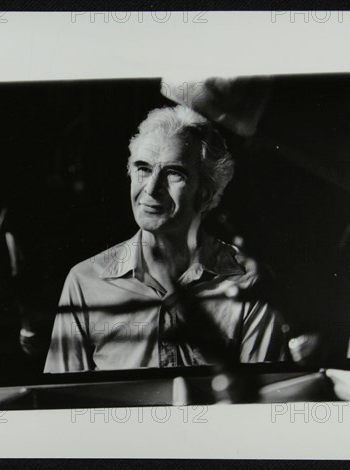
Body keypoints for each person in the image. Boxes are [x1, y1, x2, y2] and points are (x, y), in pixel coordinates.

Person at [44, 105, 291, 373]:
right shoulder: (84, 282)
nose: (151, 189)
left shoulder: (248, 282)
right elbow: (64, 404)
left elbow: (258, 405)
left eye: (174, 173)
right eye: (143, 169)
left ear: (206, 194)